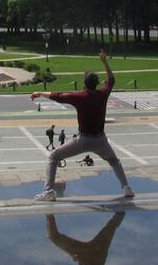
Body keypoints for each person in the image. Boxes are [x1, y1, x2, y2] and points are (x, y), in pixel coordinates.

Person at [30, 50, 133, 201]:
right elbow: (111, 80)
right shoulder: (102, 94)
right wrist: (104, 62)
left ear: (84, 84)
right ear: (97, 84)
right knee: (114, 161)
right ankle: (127, 188)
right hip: (101, 140)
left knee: (53, 156)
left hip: (83, 140)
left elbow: (57, 96)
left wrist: (39, 93)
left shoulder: (80, 97)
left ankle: (49, 192)